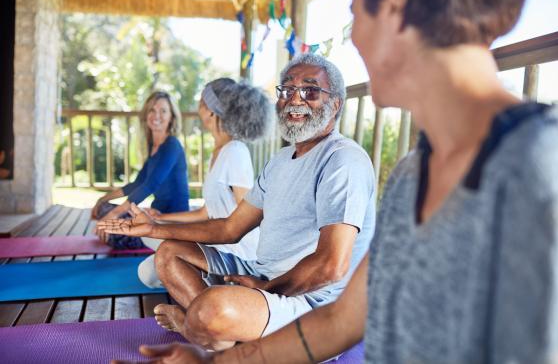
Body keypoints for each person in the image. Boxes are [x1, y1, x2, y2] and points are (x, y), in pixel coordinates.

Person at [111, 0, 558, 363]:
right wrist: (213, 361)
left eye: (354, 15)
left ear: (396, 7)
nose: (355, 38)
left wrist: (264, 292)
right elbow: (339, 322)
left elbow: (331, 276)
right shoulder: (410, 175)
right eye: (288, 90)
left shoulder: (538, 164)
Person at [99, 53, 376, 350]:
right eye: (286, 90)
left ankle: (204, 328)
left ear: (335, 104)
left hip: (314, 303)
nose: (294, 99)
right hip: (262, 273)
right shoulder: (281, 161)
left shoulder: (342, 160)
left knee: (213, 308)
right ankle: (215, 334)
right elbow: (230, 227)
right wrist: (154, 228)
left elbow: (331, 265)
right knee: (168, 255)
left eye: (309, 90)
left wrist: (267, 290)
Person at [137, 78, 272, 288]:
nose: (198, 106)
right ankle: (203, 277)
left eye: (201, 101)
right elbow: (206, 212)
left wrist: (164, 228)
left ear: (211, 111)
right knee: (146, 239)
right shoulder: (219, 151)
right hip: (215, 241)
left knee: (148, 271)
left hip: (235, 252)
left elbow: (245, 217)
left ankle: (222, 284)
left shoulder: (235, 151)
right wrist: (162, 218)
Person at [92, 91, 189, 249]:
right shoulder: (154, 146)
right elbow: (138, 183)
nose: (156, 115)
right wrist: (103, 198)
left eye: (163, 111)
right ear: (146, 115)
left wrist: (114, 214)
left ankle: (154, 241)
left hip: (172, 222)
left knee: (111, 224)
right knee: (104, 208)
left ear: (171, 117)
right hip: (154, 214)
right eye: (152, 110)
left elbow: (151, 184)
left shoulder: (172, 145)